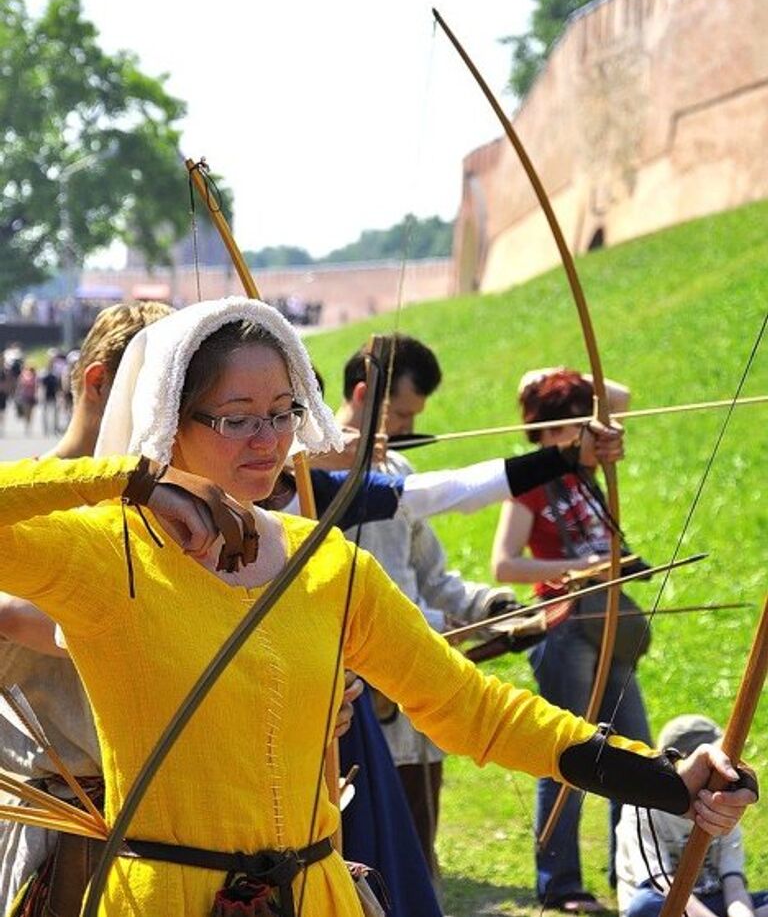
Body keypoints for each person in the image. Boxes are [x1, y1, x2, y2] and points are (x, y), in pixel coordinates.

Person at [0, 298, 754, 917]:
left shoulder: (325, 560)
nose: (268, 441)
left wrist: (664, 777)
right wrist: (131, 481)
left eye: (282, 411)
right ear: (171, 421)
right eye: (235, 418)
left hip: (318, 896)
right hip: (163, 900)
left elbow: (468, 706)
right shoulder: (107, 551)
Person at [330, 338, 618, 882]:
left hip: (416, 705)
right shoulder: (304, 486)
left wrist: (493, 605)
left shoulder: (397, 466)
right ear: (365, 395)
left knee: (420, 850)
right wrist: (444, 627)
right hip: (358, 706)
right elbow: (345, 607)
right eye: (400, 412)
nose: (406, 424)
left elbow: (433, 575)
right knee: (370, 861)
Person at [0, 302, 174, 912]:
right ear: (100, 382)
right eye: (158, 393)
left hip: (177, 824)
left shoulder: (182, 514)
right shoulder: (21, 504)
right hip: (66, 826)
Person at [490, 367, 649, 913]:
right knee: (570, 752)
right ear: (557, 428)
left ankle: (634, 869)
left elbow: (621, 393)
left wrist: (564, 376)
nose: (597, 431)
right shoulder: (533, 479)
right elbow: (504, 563)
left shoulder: (588, 462)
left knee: (637, 749)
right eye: (580, 422)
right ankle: (560, 885)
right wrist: (582, 565)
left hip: (608, 623)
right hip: (564, 627)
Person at [615, 714, 767, 917]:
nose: (722, 768)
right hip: (662, 901)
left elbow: (734, 884)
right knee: (643, 906)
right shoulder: (642, 808)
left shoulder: (721, 803)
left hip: (711, 900)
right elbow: (660, 882)